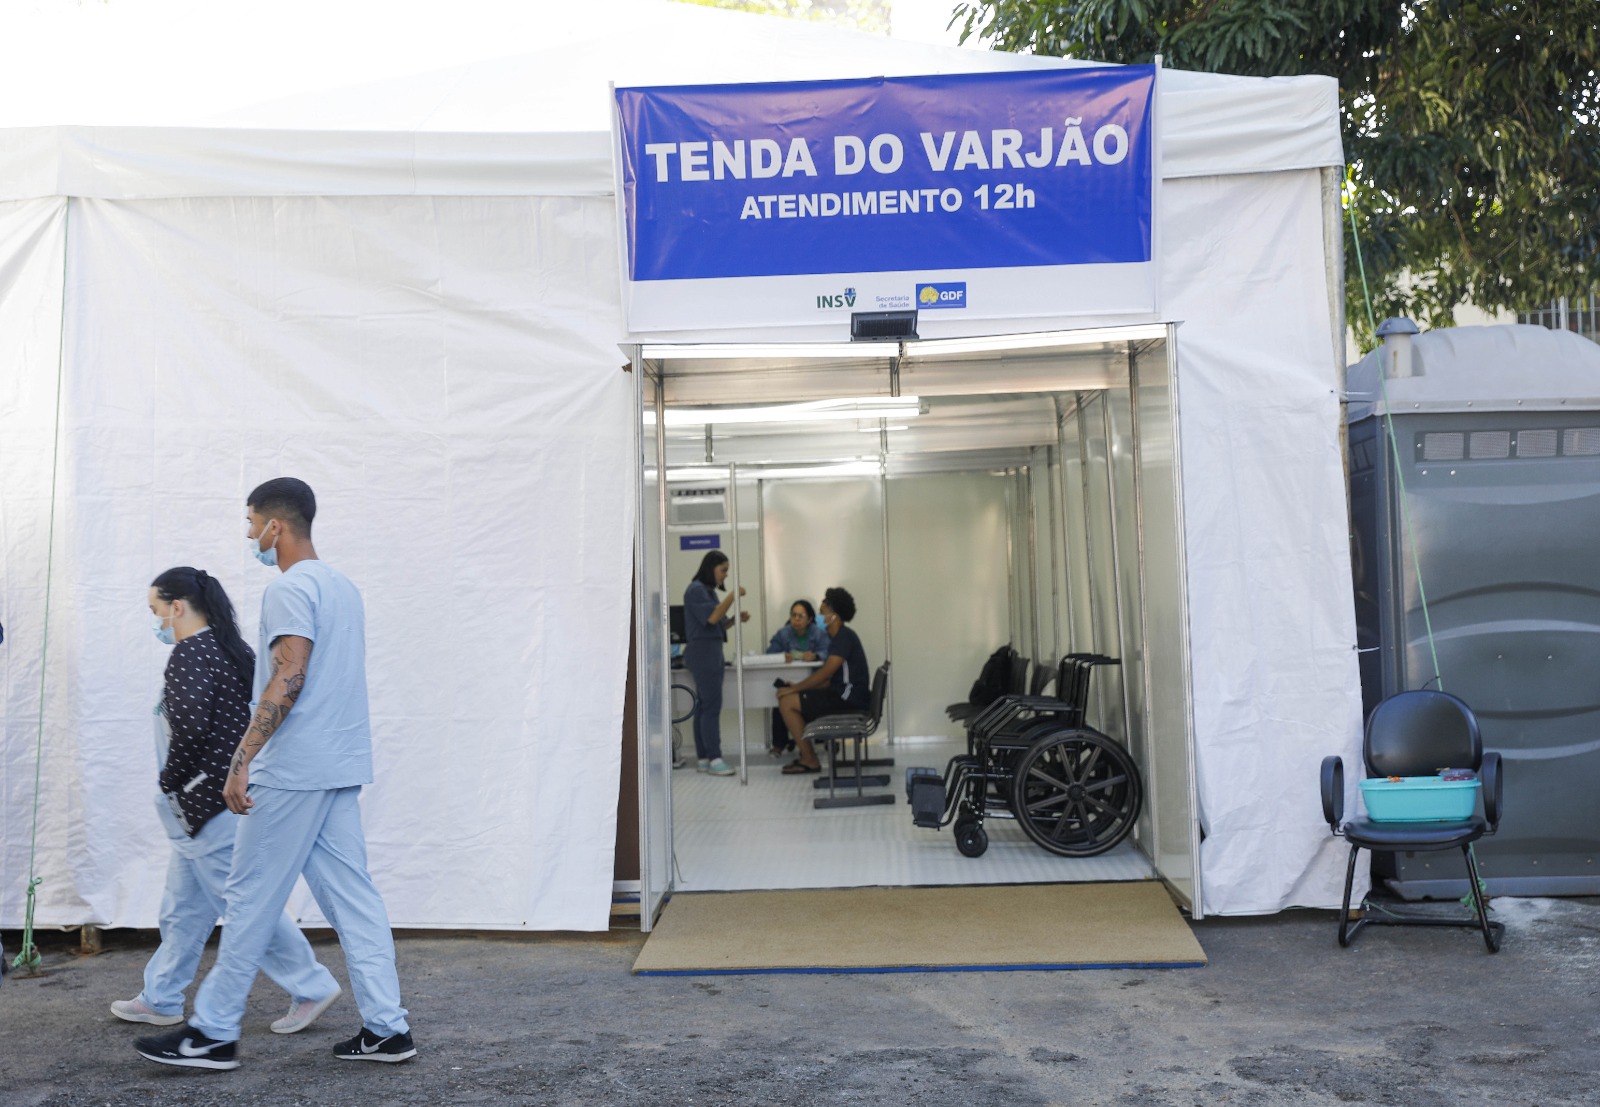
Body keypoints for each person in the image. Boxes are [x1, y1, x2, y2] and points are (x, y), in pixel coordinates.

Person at [135, 478, 414, 1070]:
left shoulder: (290, 589)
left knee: (248, 897)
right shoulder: (343, 587)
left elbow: (290, 676)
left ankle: (211, 1033)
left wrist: (242, 761)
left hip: (293, 771)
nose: (249, 537)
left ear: (275, 527)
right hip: (339, 765)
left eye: (250, 525)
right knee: (354, 900)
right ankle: (388, 1029)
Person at [114, 567, 341, 1033]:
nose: (156, 621)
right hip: (213, 804)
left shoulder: (190, 654)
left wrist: (170, 780)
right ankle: (160, 995)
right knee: (183, 909)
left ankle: (311, 984)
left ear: (177, 607)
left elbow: (192, 728)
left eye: (156, 611)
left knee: (245, 908)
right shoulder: (227, 649)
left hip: (204, 806)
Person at [775, 587, 870, 774]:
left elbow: (826, 673)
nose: (820, 613)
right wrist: (798, 688)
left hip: (848, 700)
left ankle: (809, 760)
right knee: (791, 698)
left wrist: (795, 690)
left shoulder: (843, 637)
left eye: (823, 609)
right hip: (842, 695)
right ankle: (808, 756)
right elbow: (830, 679)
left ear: (834, 615)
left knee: (787, 702)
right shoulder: (838, 637)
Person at [682, 550, 749, 777]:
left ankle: (703, 758)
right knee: (711, 706)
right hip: (703, 653)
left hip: (709, 650)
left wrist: (733, 620)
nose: (725, 575)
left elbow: (715, 625)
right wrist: (732, 596)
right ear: (711, 568)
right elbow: (711, 618)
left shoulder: (707, 592)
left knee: (704, 706)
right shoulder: (696, 590)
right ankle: (715, 758)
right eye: (723, 570)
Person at [765, 599, 829, 756]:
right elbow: (769, 653)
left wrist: (815, 656)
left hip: (812, 683)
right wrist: (781, 656)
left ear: (809, 619)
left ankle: (816, 741)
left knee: (811, 702)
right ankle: (779, 744)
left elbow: (828, 652)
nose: (797, 619)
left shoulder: (818, 633)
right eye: (793, 615)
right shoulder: (783, 633)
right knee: (780, 700)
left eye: (801, 616)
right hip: (789, 681)